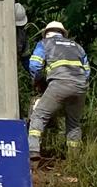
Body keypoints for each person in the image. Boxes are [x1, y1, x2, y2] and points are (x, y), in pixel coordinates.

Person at [26, 21, 90, 158]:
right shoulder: (77, 46)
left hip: (59, 84)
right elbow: (87, 71)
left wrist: (37, 80)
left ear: (46, 34)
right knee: (73, 122)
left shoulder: (44, 43)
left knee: (39, 114)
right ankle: (74, 158)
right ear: (63, 33)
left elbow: (34, 65)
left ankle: (33, 150)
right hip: (80, 86)